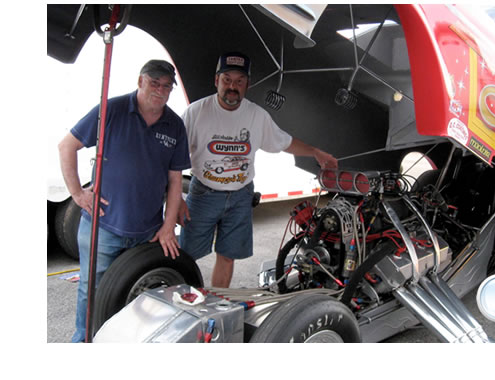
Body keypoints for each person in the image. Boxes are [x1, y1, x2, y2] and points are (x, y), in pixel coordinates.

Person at [178, 52, 338, 288]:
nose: (233, 87)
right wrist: (176, 198)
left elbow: (283, 142)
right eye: (227, 80)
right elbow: (174, 155)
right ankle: (185, 303)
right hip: (203, 194)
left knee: (227, 255)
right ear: (216, 81)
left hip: (241, 195)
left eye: (239, 81)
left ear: (247, 85)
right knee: (186, 255)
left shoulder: (256, 115)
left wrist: (315, 152)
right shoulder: (196, 112)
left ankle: (218, 303)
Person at [58, 59, 191, 342]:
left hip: (148, 233)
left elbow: (175, 180)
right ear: (140, 80)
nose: (160, 90)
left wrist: (168, 227)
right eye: (155, 83)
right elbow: (67, 145)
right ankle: (83, 342)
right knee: (91, 290)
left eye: (167, 86)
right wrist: (77, 194)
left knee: (134, 293)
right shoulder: (111, 110)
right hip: (104, 228)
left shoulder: (175, 125)